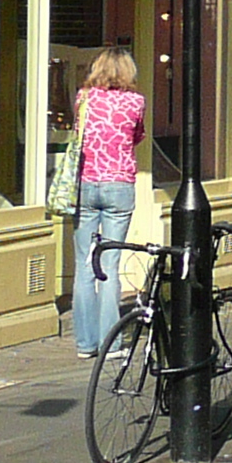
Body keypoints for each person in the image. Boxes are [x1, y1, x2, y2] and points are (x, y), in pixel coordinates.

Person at [67, 48, 148, 361]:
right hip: (119, 185)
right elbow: (136, 136)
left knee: (85, 265)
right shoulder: (135, 101)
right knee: (109, 266)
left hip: (86, 185)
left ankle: (85, 343)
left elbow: (79, 133)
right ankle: (110, 343)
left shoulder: (84, 98)